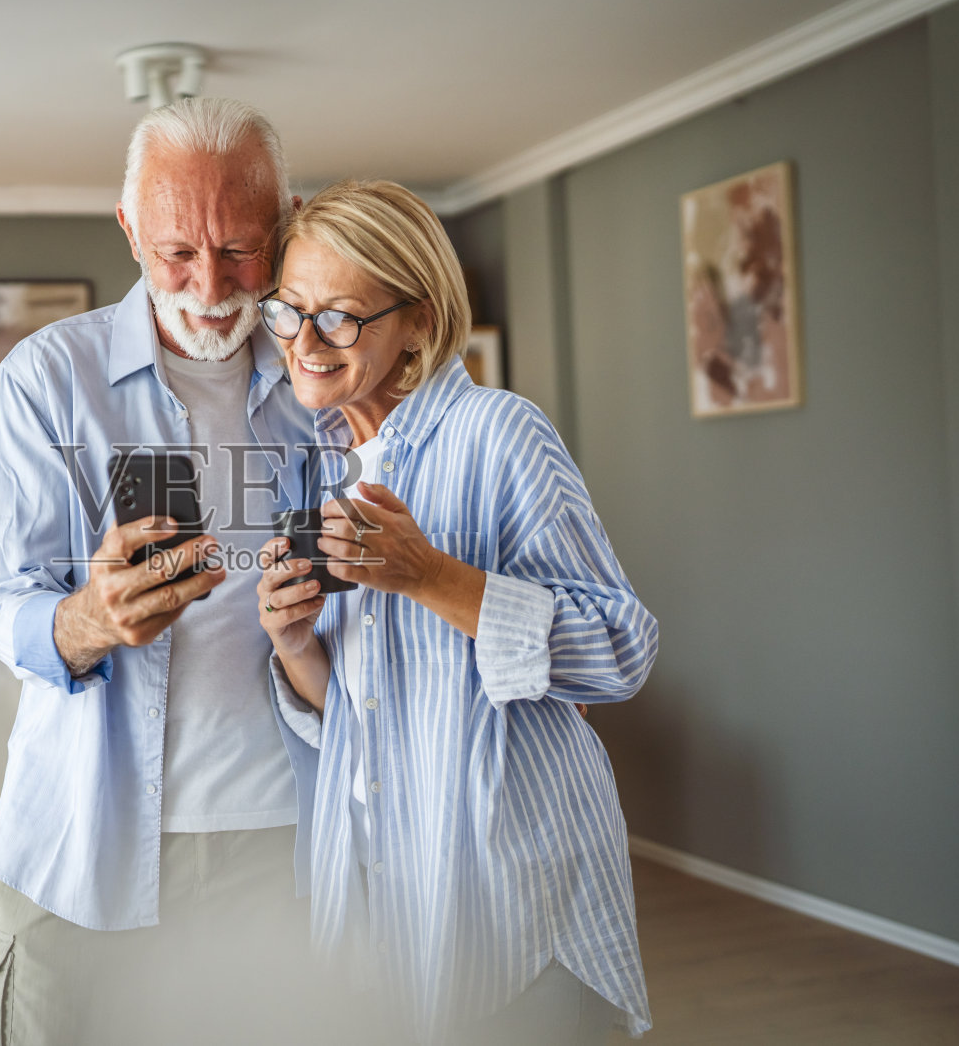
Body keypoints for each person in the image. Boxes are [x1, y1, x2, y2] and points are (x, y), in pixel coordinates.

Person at [257, 179, 660, 1044]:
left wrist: (436, 575)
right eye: (288, 311)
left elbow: (622, 650)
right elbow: (370, 711)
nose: (304, 342)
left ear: (419, 320)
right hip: (380, 907)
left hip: (510, 905)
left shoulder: (502, 433)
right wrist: (296, 647)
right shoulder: (324, 469)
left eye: (340, 316)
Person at [0, 97, 321, 1046]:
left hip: (282, 840)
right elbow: (8, 606)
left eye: (240, 249)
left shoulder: (321, 383)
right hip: (81, 843)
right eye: (177, 250)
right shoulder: (49, 375)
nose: (209, 284)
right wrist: (89, 617)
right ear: (129, 230)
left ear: (285, 223)